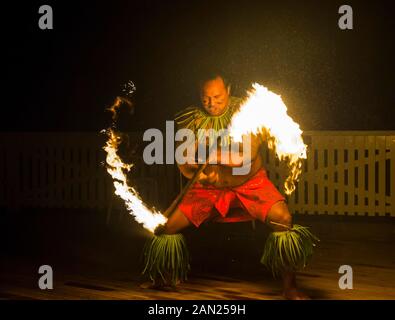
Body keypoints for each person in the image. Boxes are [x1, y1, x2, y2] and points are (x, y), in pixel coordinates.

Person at [141, 73, 318, 300]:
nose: (212, 104)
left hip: (250, 184)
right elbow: (184, 161)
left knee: (283, 219)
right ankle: (162, 280)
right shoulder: (192, 119)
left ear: (228, 90)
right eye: (206, 99)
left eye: (217, 97)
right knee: (167, 227)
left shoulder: (246, 111)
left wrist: (209, 153)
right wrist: (199, 172)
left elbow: (245, 156)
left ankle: (290, 288)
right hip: (209, 189)